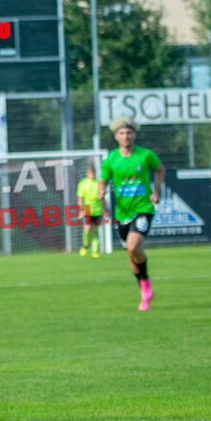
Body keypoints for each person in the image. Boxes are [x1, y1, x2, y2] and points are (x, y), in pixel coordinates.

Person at [98, 117, 165, 311]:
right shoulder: (111, 159)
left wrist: (156, 191)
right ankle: (145, 288)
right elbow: (102, 180)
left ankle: (145, 288)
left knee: (133, 246)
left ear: (134, 135)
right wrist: (101, 191)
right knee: (131, 253)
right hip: (122, 213)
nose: (126, 136)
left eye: (129, 132)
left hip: (143, 208)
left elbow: (160, 170)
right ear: (116, 136)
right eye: (122, 133)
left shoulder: (145, 155)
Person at [76, 163, 103, 257]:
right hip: (87, 209)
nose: (92, 175)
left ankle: (95, 251)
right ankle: (85, 246)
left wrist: (105, 209)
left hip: (97, 210)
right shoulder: (83, 183)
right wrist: (80, 209)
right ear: (87, 174)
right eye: (90, 173)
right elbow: (80, 197)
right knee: (87, 229)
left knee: (95, 231)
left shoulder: (98, 183)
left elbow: (102, 197)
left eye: (93, 173)